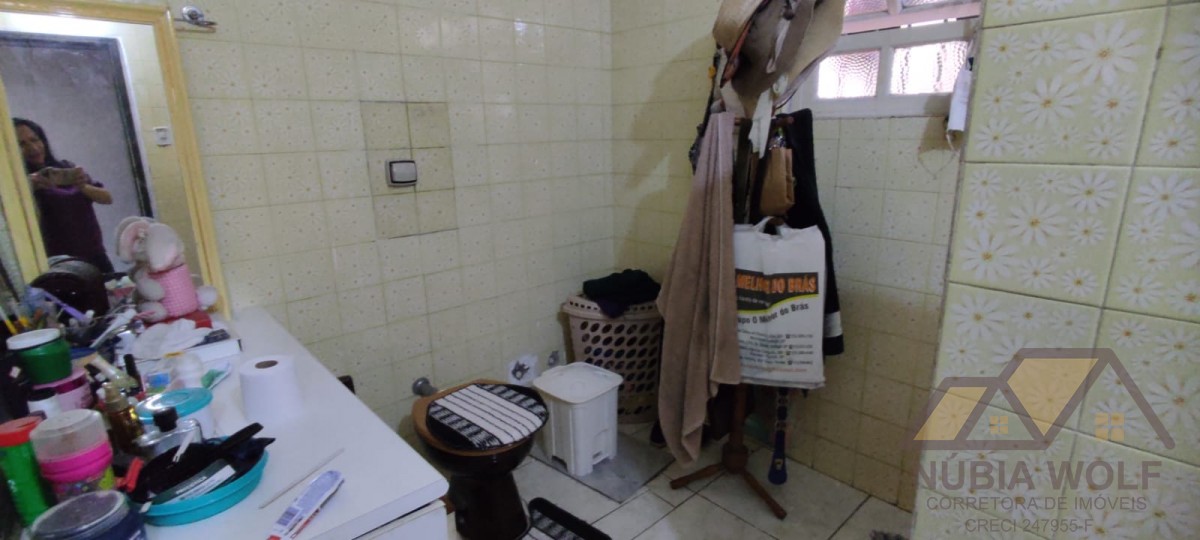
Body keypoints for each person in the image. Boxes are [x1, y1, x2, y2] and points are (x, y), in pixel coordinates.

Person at [13, 118, 114, 273]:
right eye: (22, 144)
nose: (33, 148)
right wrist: (27, 188)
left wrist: (82, 186)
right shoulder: (17, 184)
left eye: (35, 139)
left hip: (95, 254)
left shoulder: (66, 168)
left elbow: (107, 198)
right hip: (59, 263)